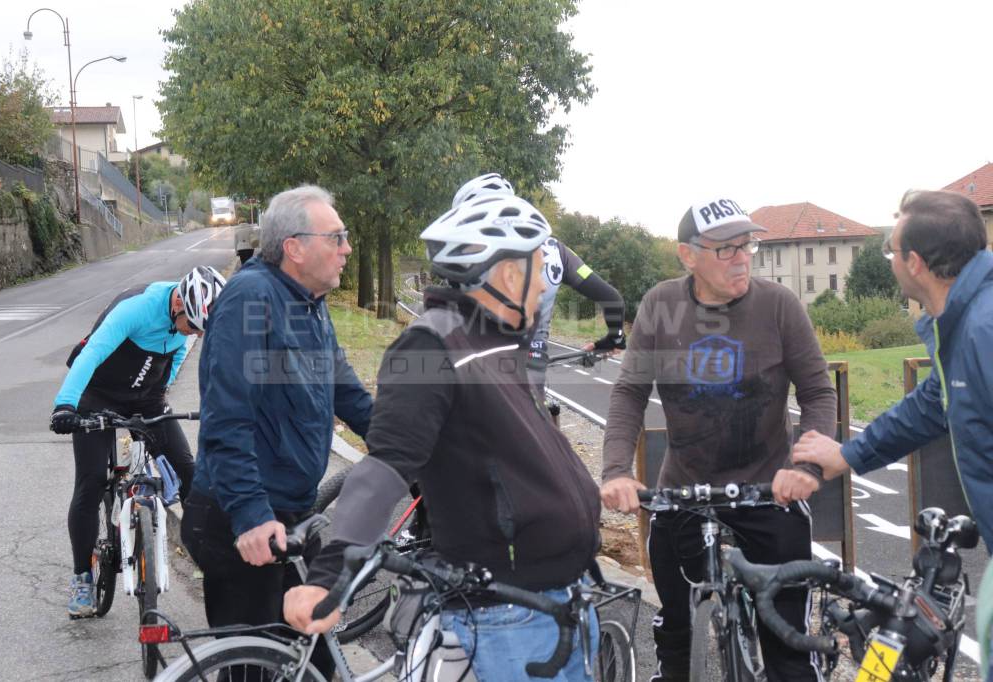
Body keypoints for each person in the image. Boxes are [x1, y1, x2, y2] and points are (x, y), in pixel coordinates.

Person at [283, 193, 602, 681]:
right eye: (539, 267)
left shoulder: (496, 340)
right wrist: (331, 577)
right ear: (509, 274)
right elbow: (387, 465)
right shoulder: (431, 344)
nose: (545, 284)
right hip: (510, 615)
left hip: (554, 600)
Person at [599, 197, 836, 681]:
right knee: (676, 642)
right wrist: (617, 471)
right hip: (685, 491)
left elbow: (817, 392)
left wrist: (806, 467)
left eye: (746, 245)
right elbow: (629, 393)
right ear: (688, 255)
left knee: (789, 647)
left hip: (768, 490)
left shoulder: (779, 305)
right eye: (726, 250)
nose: (743, 257)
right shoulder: (660, 305)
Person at [181, 185, 372, 676]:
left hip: (288, 512)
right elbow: (227, 418)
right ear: (295, 247)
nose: (347, 248)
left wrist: (415, 452)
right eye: (338, 237)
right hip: (241, 520)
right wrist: (248, 514)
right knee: (255, 668)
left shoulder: (309, 302)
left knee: (313, 659)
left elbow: (348, 394)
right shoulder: (252, 298)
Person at [792, 189, 993, 554]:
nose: (890, 261)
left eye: (891, 252)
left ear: (914, 263)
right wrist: (848, 455)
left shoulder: (984, 329)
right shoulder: (964, 326)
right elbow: (930, 405)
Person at [50, 265, 226, 618]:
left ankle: (216, 565)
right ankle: (82, 578)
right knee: (91, 482)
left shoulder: (190, 321)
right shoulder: (136, 308)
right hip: (95, 395)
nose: (192, 331)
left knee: (190, 474)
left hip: (145, 399)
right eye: (191, 324)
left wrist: (160, 393)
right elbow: (92, 353)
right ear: (178, 301)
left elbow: (178, 351)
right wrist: (64, 405)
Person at [451, 173, 627, 387]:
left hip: (479, 364)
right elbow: (612, 298)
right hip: (533, 361)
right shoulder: (554, 250)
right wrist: (614, 338)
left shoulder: (462, 255)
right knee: (538, 414)